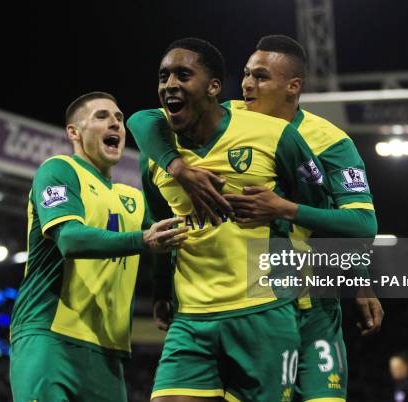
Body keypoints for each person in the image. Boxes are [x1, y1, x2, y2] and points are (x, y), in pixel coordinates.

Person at [128, 35, 384, 402]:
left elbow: (360, 225)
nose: (248, 84)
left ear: (293, 86)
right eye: (246, 74)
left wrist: (359, 281)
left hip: (311, 307)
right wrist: (178, 166)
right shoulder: (226, 114)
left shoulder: (330, 142)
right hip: (241, 306)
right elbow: (143, 121)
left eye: (261, 77)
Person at [9, 91, 188, 402]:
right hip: (50, 338)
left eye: (119, 118)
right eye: (102, 116)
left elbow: (168, 237)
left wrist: (162, 292)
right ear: (74, 133)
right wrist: (141, 240)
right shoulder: (60, 170)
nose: (115, 123)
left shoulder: (132, 198)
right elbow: (70, 239)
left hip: (108, 351)